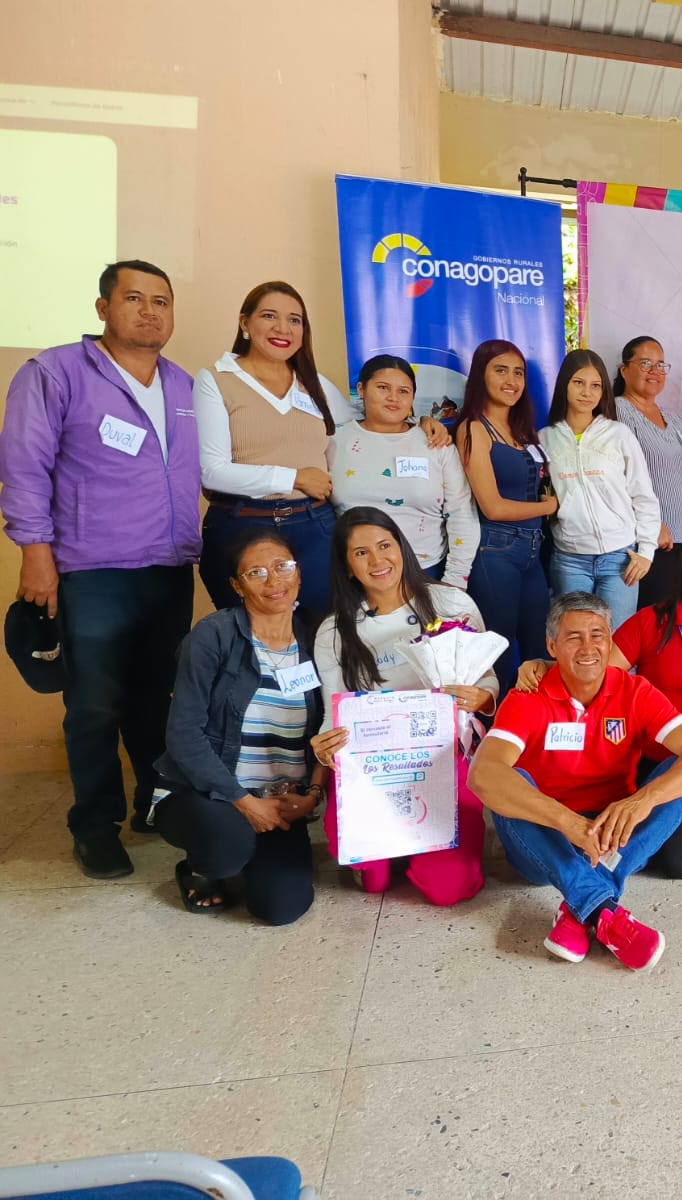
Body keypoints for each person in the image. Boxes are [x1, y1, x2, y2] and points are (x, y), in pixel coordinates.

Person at [0, 261, 199, 878]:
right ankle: (93, 826)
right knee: (93, 704)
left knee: (154, 697)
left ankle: (151, 804)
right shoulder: (55, 372)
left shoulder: (183, 385)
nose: (149, 311)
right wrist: (36, 552)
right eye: (134, 298)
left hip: (167, 566)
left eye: (161, 301)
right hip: (91, 569)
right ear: (103, 307)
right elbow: (24, 466)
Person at [470, 593, 682, 971]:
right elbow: (482, 774)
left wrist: (643, 800)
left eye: (597, 635)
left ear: (610, 641)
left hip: (613, 832)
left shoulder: (635, 691)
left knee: (680, 773)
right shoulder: (528, 696)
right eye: (573, 637)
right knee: (508, 783)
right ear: (551, 646)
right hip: (546, 838)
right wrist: (568, 823)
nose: (588, 648)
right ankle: (602, 906)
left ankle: (583, 907)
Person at [515, 528, 682, 875]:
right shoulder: (652, 622)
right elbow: (600, 671)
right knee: (678, 863)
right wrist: (543, 664)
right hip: (659, 759)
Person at [195, 282, 450, 621]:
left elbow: (371, 421)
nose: (283, 328)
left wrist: (420, 424)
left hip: (313, 526)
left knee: (323, 627)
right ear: (245, 323)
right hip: (243, 524)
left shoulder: (315, 384)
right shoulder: (216, 380)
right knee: (250, 630)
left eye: (295, 320)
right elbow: (212, 472)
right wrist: (294, 478)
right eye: (269, 316)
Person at [309, 509, 496, 905]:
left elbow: (487, 678)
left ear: (402, 547)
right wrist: (325, 750)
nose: (377, 561)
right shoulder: (334, 631)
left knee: (449, 888)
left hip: (443, 757)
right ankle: (398, 849)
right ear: (347, 565)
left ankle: (423, 850)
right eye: (361, 553)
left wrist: (481, 698)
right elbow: (332, 712)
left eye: (384, 546)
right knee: (373, 879)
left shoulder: (450, 602)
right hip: (375, 768)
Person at [151, 529, 322, 924]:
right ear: (236, 586)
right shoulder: (213, 636)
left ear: (298, 572)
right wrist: (244, 802)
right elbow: (183, 734)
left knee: (281, 908)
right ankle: (202, 868)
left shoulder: (318, 637)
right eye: (255, 573)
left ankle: (248, 855)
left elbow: (331, 726)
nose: (274, 580)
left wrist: (312, 796)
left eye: (282, 566)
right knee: (228, 844)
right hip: (206, 794)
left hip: (279, 800)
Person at [456, 339, 558, 694]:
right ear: (481, 375)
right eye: (501, 370)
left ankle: (534, 725)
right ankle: (492, 726)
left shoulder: (522, 430)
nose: (511, 380)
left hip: (534, 552)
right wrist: (548, 507)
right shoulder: (473, 429)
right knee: (497, 654)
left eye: (518, 373)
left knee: (539, 653)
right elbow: (493, 507)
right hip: (496, 552)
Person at [328, 354, 479, 588]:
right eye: (383, 387)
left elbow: (462, 512)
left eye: (403, 391)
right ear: (361, 389)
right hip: (353, 577)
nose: (393, 398)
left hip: (425, 571)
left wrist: (456, 580)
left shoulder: (435, 442)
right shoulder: (334, 441)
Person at [541, 349, 661, 624]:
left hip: (620, 559)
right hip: (570, 560)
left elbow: (643, 496)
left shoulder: (619, 434)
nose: (587, 392)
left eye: (595, 385)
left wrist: (646, 552)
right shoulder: (545, 439)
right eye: (578, 383)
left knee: (616, 640)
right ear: (564, 385)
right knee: (574, 638)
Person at [613, 335, 682, 609]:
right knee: (646, 622)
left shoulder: (674, 420)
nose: (655, 371)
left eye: (661, 365)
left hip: (680, 543)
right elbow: (613, 479)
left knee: (670, 622)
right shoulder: (617, 412)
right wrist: (651, 526)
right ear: (624, 370)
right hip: (644, 543)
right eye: (645, 363)